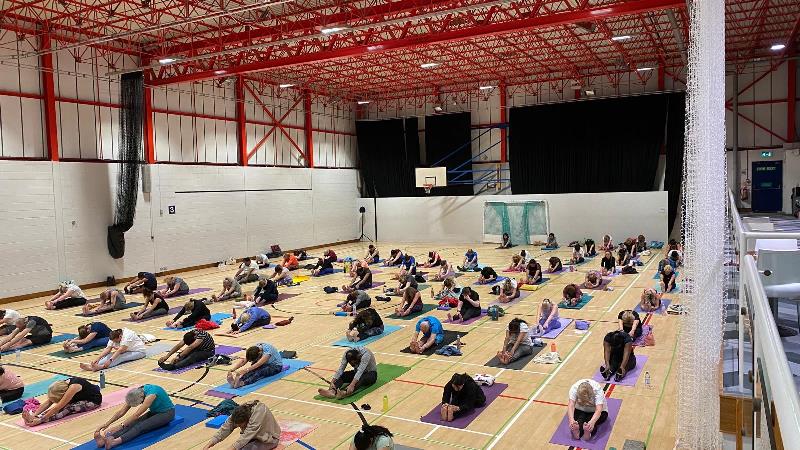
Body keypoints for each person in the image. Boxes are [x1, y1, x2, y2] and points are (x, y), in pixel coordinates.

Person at [94, 385, 175, 449]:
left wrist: (119, 426)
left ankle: (114, 442)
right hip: (154, 412)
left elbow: (136, 415)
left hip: (167, 413)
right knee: (130, 424)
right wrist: (107, 423)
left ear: (141, 399)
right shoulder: (136, 393)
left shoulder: (151, 395)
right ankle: (105, 440)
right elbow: (121, 412)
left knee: (140, 426)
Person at [22, 377, 101, 426]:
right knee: (53, 410)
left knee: (68, 409)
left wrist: (41, 420)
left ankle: (39, 420)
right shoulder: (62, 385)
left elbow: (58, 407)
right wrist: (35, 414)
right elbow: (49, 401)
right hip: (79, 399)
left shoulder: (73, 387)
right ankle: (34, 418)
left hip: (93, 401)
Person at [204, 401, 281, 450]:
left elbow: (246, 436)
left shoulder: (257, 415)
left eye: (241, 425)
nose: (239, 427)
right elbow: (226, 427)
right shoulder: (239, 412)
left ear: (247, 420)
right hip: (254, 438)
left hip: (270, 439)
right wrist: (208, 445)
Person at [80, 328, 146, 372]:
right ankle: (93, 366)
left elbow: (120, 350)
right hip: (127, 350)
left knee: (120, 357)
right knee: (110, 355)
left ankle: (100, 367)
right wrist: (98, 358)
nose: (115, 342)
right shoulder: (114, 336)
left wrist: (110, 360)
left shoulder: (128, 336)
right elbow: (108, 349)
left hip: (139, 351)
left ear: (120, 336)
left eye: (116, 341)